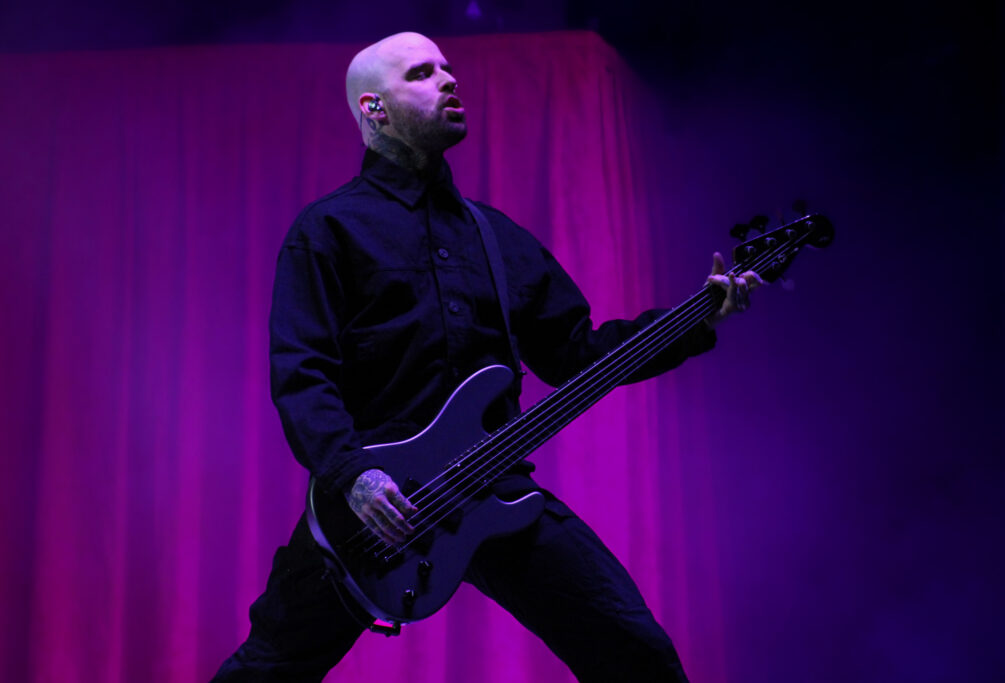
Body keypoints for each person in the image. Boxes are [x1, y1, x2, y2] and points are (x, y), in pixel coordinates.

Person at [212, 31, 762, 683]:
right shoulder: (328, 230)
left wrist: (698, 316)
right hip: (378, 508)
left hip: (491, 490)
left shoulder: (493, 237)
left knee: (636, 652)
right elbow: (303, 374)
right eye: (421, 72)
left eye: (448, 67)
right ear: (374, 108)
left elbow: (578, 353)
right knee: (269, 668)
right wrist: (354, 476)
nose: (448, 80)